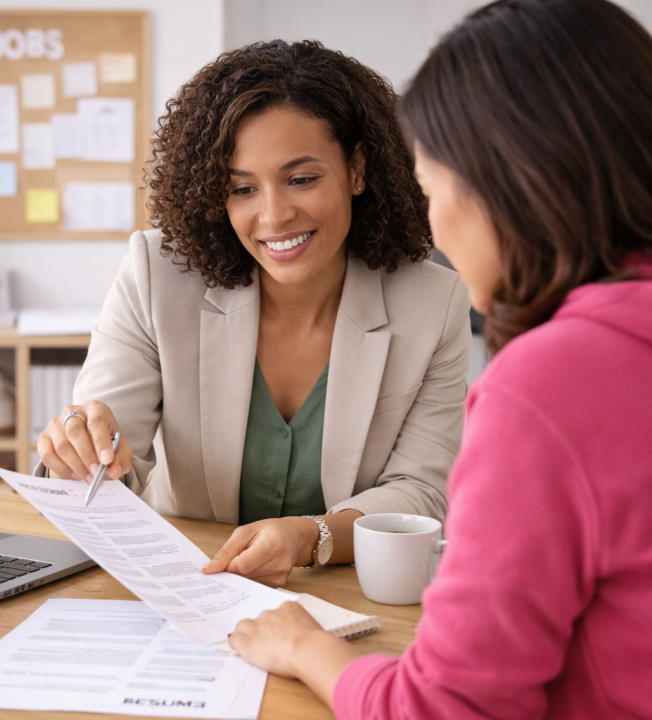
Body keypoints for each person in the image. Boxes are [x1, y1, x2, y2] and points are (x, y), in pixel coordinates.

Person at [227, 0, 652, 717]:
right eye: (242, 187)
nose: (436, 227)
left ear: (512, 181)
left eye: (432, 190)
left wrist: (305, 646)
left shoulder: (550, 383)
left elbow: (444, 708)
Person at [37, 40, 471, 587]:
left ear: (356, 169)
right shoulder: (156, 275)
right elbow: (111, 455)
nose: (273, 215)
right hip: (184, 584)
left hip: (341, 597)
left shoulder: (434, 304)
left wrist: (310, 536)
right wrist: (82, 451)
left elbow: (421, 490)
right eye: (242, 188)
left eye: (301, 179)